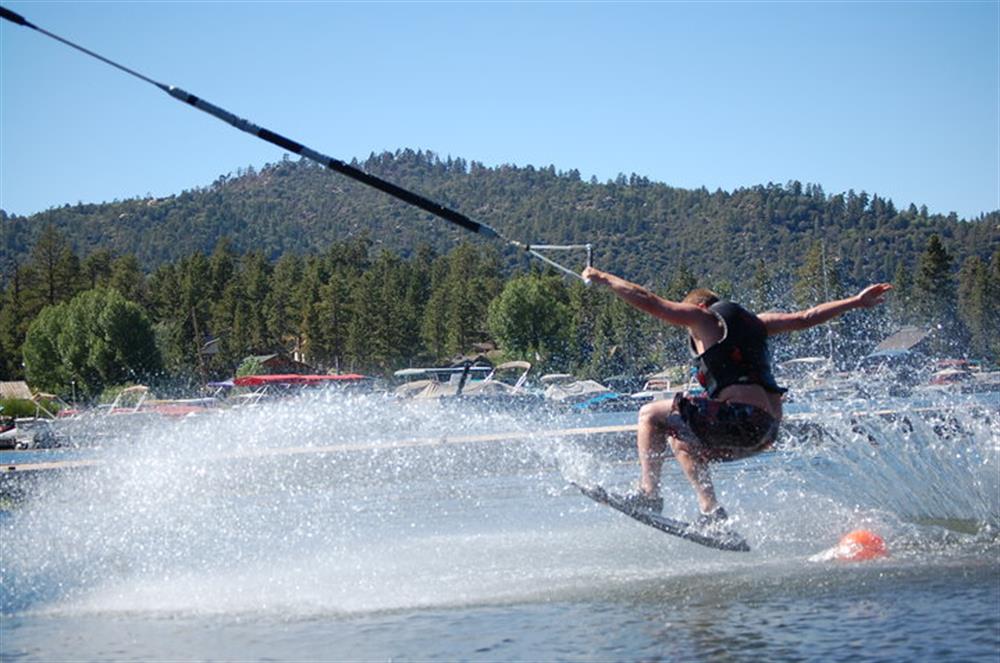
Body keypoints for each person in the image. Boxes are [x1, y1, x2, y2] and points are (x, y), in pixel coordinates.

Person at [581, 265, 892, 529]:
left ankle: (649, 495)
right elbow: (807, 316)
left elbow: (650, 301)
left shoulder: (702, 319)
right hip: (766, 433)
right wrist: (856, 301)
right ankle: (712, 514)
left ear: (698, 311)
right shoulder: (759, 323)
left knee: (649, 414)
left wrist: (606, 279)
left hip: (742, 421)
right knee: (682, 441)